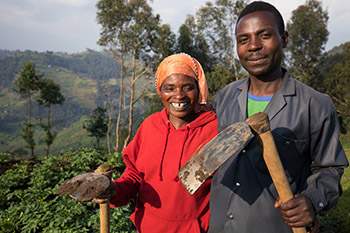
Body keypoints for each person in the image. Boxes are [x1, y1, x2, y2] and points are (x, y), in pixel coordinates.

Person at [208, 1, 349, 233]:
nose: (253, 46)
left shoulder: (315, 104)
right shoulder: (223, 99)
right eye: (244, 40)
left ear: (284, 38)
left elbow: (330, 168)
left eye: (264, 35)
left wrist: (312, 201)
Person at [95, 53, 218, 233]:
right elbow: (135, 176)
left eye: (187, 87)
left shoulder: (214, 130)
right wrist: (114, 190)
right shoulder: (149, 126)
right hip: (148, 228)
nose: (178, 95)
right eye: (169, 88)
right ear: (160, 91)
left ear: (199, 89)